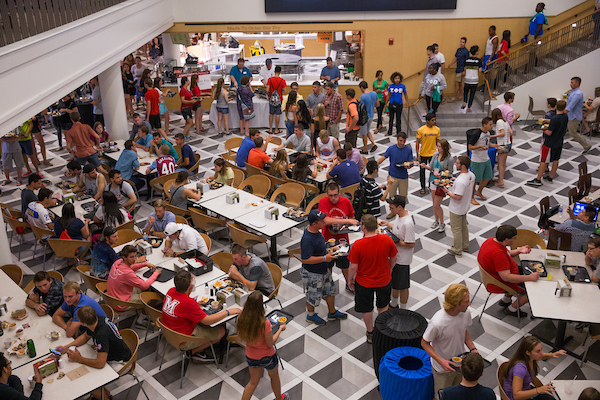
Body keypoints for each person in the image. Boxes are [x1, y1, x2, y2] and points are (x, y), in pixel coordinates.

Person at [162, 270, 241, 361]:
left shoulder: (171, 291)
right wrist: (228, 312)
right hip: (183, 339)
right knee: (221, 331)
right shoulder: (188, 303)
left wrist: (194, 302)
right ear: (189, 287)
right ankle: (193, 351)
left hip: (169, 333)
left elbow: (181, 304)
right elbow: (208, 321)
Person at [56, 306, 131, 400]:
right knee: (87, 368)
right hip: (115, 354)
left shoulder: (101, 335)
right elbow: (85, 337)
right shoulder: (97, 320)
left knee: (91, 382)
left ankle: (101, 395)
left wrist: (79, 359)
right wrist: (66, 347)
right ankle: (104, 394)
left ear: (82, 323)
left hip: (120, 362)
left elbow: (100, 363)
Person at [348, 214, 397, 342]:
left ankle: (370, 332)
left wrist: (349, 279)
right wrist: (390, 270)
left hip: (364, 282)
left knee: (366, 308)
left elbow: (353, 267)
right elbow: (394, 258)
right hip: (384, 280)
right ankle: (381, 329)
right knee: (383, 305)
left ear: (363, 227)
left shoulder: (358, 245)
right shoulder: (387, 239)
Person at [421, 283, 476, 398]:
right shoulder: (437, 322)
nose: (469, 304)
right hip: (442, 370)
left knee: (457, 394)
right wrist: (441, 361)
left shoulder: (465, 313)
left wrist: (473, 348)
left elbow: (463, 329)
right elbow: (424, 343)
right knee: (441, 396)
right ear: (456, 303)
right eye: (466, 301)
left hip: (459, 364)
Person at [478, 225, 538, 317]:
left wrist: (519, 251)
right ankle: (511, 309)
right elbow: (507, 277)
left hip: (494, 275)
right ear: (506, 239)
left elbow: (507, 253)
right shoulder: (498, 254)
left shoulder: (492, 240)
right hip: (498, 281)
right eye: (513, 238)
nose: (515, 240)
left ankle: (505, 300)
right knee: (529, 290)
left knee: (524, 270)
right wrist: (529, 278)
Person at [238, 291, 289, 400]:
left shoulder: (241, 318)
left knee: (253, 382)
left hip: (251, 356)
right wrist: (280, 329)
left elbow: (240, 336)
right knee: (274, 377)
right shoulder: (264, 323)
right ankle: (279, 399)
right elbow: (270, 343)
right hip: (268, 356)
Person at [300, 209, 348, 325]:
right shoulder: (307, 239)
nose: (324, 222)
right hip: (313, 273)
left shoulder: (317, 232)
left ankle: (332, 312)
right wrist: (325, 258)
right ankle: (310, 315)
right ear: (314, 224)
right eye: (321, 221)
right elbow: (305, 259)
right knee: (312, 295)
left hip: (323, 270)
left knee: (330, 290)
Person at [319, 182, 359, 290]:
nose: (333, 198)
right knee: (328, 266)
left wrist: (348, 222)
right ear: (327, 194)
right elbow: (326, 220)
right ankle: (328, 286)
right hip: (327, 240)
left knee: (345, 265)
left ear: (339, 193)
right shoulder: (323, 201)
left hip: (343, 240)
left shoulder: (346, 201)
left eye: (335, 195)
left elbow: (352, 218)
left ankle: (349, 284)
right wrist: (346, 220)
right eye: (330, 195)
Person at [378, 195, 415, 309]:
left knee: (403, 286)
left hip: (402, 259)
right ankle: (393, 304)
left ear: (399, 207)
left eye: (392, 207)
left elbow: (411, 243)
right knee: (395, 283)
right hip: (395, 256)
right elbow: (398, 229)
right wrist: (388, 225)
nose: (390, 209)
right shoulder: (399, 216)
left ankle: (403, 309)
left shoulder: (408, 223)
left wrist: (394, 242)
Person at [502, 336, 566, 400]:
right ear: (528, 352)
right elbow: (516, 395)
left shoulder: (529, 357)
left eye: (541, 350)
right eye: (538, 351)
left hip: (525, 389)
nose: (541, 353)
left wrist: (551, 354)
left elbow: (541, 356)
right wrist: (538, 390)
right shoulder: (520, 369)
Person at [527, 100, 568, 187]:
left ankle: (538, 179)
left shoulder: (554, 118)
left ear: (556, 106)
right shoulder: (565, 116)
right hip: (559, 141)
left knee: (543, 160)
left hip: (549, 143)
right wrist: (547, 120)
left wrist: (542, 128)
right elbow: (555, 122)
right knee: (555, 160)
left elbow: (549, 132)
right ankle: (550, 177)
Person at [107, 245, 159, 313]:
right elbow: (145, 285)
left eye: (135, 256)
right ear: (124, 257)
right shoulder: (127, 273)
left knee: (146, 289)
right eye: (131, 257)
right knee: (151, 297)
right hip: (121, 303)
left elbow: (131, 267)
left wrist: (145, 264)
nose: (134, 259)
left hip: (112, 297)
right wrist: (156, 273)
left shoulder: (118, 262)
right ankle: (142, 318)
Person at [377, 132, 414, 219]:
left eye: (404, 141)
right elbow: (383, 157)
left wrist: (409, 165)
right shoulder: (391, 149)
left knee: (403, 195)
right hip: (392, 176)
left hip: (403, 176)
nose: (402, 143)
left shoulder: (408, 150)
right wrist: (376, 164)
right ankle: (392, 211)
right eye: (400, 141)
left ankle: (402, 212)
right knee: (392, 196)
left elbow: (411, 161)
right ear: (397, 139)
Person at [445, 156, 475, 257]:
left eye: (457, 163)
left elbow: (457, 197)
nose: (455, 165)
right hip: (465, 206)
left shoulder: (461, 181)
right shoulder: (471, 175)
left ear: (462, 166)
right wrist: (455, 179)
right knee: (463, 227)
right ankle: (465, 246)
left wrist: (447, 192)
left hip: (456, 209)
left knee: (456, 229)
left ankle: (457, 249)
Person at [420, 139, 454, 231]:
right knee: (434, 203)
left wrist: (440, 174)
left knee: (436, 204)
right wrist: (425, 166)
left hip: (441, 183)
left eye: (440, 147)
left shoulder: (449, 159)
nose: (438, 148)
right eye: (437, 146)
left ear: (445, 148)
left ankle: (442, 222)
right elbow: (431, 167)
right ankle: (436, 220)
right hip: (432, 181)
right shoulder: (435, 155)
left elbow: (450, 173)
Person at [468, 117, 498, 205]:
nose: (492, 126)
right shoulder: (477, 134)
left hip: (486, 158)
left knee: (488, 176)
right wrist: (479, 147)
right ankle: (471, 197)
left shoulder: (488, 133)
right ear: (484, 125)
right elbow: (470, 147)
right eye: (490, 124)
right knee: (475, 180)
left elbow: (487, 143)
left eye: (492, 124)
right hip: (477, 160)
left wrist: (494, 145)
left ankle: (479, 191)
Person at [565, 76, 591, 152]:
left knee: (573, 133)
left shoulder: (577, 94)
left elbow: (571, 106)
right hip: (571, 115)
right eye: (570, 82)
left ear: (577, 83)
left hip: (574, 117)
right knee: (567, 130)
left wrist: (561, 114)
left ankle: (587, 145)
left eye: (572, 83)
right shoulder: (573, 91)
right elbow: (569, 102)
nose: (570, 84)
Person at [416, 113, 440, 194]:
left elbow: (437, 142)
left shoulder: (437, 129)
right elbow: (417, 143)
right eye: (432, 120)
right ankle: (422, 187)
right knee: (422, 171)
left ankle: (432, 184)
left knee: (434, 170)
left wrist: (440, 153)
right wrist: (417, 154)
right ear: (427, 121)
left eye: (435, 120)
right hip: (423, 154)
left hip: (433, 154)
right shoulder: (421, 129)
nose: (434, 121)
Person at [491, 108, 511, 188]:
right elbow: (511, 132)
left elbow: (502, 133)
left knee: (500, 164)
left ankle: (501, 181)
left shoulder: (499, 122)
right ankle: (500, 179)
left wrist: (493, 136)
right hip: (507, 143)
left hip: (502, 145)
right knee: (503, 164)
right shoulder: (505, 122)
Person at [358, 81, 378, 153]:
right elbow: (377, 104)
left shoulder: (363, 96)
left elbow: (361, 108)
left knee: (364, 134)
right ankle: (373, 143)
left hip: (365, 117)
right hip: (371, 115)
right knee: (367, 131)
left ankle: (365, 149)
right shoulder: (374, 93)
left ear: (361, 87)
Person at [447, 37, 470, 102]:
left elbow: (467, 61)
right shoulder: (458, 50)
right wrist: (451, 64)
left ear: (465, 43)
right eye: (461, 42)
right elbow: (456, 57)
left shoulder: (466, 51)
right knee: (459, 83)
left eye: (463, 42)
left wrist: (465, 70)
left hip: (462, 69)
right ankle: (461, 96)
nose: (461, 43)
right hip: (458, 68)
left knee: (456, 83)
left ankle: (454, 97)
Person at [266, 65, 286, 134]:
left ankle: (270, 129)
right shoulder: (282, 80)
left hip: (271, 99)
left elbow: (267, 90)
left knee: (271, 113)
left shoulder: (270, 79)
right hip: (279, 99)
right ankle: (277, 129)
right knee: (278, 114)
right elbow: (285, 91)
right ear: (280, 72)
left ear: (274, 71)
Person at [462, 46, 482, 111]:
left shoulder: (466, 60)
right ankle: (468, 107)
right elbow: (480, 70)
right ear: (476, 52)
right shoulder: (479, 60)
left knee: (465, 91)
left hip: (467, 79)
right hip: (474, 80)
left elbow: (464, 69)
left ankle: (465, 101)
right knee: (472, 94)